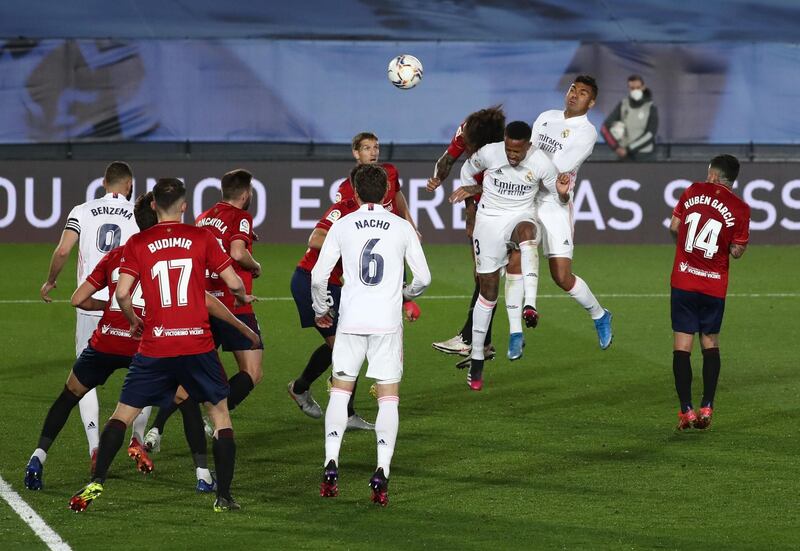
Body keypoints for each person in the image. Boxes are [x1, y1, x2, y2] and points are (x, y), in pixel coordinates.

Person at [25, 193, 258, 492]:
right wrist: (241, 325)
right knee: (185, 398)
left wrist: (111, 309)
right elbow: (201, 299)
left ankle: (39, 458)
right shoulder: (157, 252)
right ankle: (202, 474)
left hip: (106, 341)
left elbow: (79, 299)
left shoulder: (119, 254)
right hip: (143, 344)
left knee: (69, 395)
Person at [312, 164, 430, 507]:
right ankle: (381, 470)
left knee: (340, 391)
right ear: (389, 193)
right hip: (386, 323)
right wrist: (404, 291)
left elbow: (320, 276)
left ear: (355, 192)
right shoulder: (402, 227)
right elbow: (423, 277)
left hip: (350, 321)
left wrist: (321, 309)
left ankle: (331, 462)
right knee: (388, 397)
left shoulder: (343, 224)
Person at [39, 161, 151, 470]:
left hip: (90, 302)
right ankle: (136, 438)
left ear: (104, 182)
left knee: (81, 380)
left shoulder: (82, 210)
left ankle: (95, 446)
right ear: (129, 186)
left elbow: (63, 250)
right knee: (147, 370)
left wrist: (51, 280)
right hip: (130, 304)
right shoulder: (138, 215)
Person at [144, 169, 264, 451]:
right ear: (246, 195)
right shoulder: (241, 217)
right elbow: (236, 253)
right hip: (233, 305)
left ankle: (156, 430)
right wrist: (254, 264)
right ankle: (214, 417)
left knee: (191, 375)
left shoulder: (204, 218)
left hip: (203, 301)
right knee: (252, 372)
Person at [504, 75, 613, 360]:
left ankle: (599, 314)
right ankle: (516, 333)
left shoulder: (586, 132)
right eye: (572, 89)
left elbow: (558, 169)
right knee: (514, 262)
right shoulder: (545, 117)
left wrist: (524, 168)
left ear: (592, 102)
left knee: (561, 276)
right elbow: (525, 151)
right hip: (526, 199)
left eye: (583, 93)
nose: (574, 95)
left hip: (554, 203)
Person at [451, 121, 557, 391]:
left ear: (528, 146)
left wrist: (564, 195)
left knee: (528, 234)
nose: (512, 155)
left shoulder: (542, 163)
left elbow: (557, 195)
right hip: (489, 222)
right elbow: (466, 170)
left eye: (517, 151)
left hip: (520, 215)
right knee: (487, 293)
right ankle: (476, 359)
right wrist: (470, 205)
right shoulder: (489, 152)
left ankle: (530, 305)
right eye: (508, 149)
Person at [287, 171, 374, 430]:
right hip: (312, 280)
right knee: (347, 348)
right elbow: (314, 239)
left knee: (348, 343)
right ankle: (344, 414)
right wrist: (350, 244)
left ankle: (300, 387)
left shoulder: (372, 217)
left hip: (334, 284)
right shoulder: (343, 208)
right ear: (358, 191)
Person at [669, 155, 750, 430]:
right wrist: (725, 246)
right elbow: (737, 251)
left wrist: (685, 250)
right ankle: (707, 406)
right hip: (714, 285)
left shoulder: (692, 191)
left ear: (713, 176)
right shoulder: (740, 208)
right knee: (710, 343)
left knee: (682, 346)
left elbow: (674, 227)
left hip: (683, 280)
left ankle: (686, 411)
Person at [426, 106, 506, 360]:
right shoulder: (467, 133)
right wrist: (437, 178)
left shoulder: (502, 151)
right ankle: (482, 341)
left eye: (473, 147)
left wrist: (472, 220)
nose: (468, 150)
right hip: (483, 205)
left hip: (506, 209)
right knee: (483, 274)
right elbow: (447, 158)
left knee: (486, 274)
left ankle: (470, 339)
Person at [600, 74, 658, 161]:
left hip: (645, 156)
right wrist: (616, 147)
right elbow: (604, 129)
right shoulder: (623, 105)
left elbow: (650, 135)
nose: (635, 91)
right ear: (629, 88)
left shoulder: (650, 107)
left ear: (643, 87)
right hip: (625, 157)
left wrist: (629, 149)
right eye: (632, 88)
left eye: (638, 87)